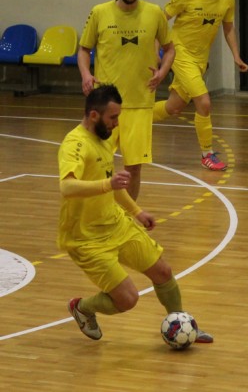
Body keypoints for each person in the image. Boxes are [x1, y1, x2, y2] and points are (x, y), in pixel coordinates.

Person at [59, 84, 213, 344]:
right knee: (128, 299)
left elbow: (113, 184)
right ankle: (82, 307)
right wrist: (107, 185)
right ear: (94, 115)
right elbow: (67, 187)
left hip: (115, 224)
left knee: (163, 271)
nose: (117, 124)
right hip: (86, 239)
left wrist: (137, 212)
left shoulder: (104, 138)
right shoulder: (74, 144)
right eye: (113, 118)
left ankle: (182, 324)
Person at [77, 0, 175, 200]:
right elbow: (84, 50)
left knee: (133, 168)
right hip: (105, 104)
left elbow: (170, 49)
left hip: (140, 103)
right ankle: (99, 212)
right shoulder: (99, 12)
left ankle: (128, 216)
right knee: (96, 164)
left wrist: (162, 72)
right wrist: (86, 74)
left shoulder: (154, 13)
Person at [153, 0, 248, 171]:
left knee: (173, 106)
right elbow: (160, 21)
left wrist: (236, 56)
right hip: (179, 54)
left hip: (200, 60)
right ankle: (207, 154)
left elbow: (228, 28)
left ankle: (130, 120)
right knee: (204, 102)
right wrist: (155, 51)